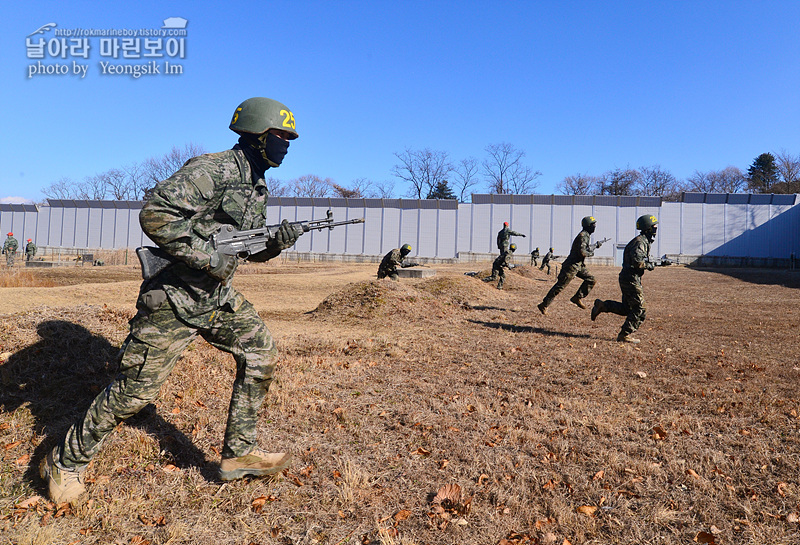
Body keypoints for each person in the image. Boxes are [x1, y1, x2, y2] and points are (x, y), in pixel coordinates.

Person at [40, 97, 302, 504]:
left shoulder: (257, 184)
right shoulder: (212, 170)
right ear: (255, 135)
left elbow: (243, 248)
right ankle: (65, 462)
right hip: (173, 300)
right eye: (280, 137)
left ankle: (237, 454)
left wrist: (275, 245)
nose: (285, 145)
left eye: (289, 139)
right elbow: (156, 214)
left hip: (215, 298)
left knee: (260, 355)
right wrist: (207, 257)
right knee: (134, 392)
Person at [591, 215, 658, 344]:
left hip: (629, 278)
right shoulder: (640, 242)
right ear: (647, 228)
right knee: (640, 308)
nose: (655, 229)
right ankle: (624, 334)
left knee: (628, 309)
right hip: (630, 279)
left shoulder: (643, 241)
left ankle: (603, 306)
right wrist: (650, 265)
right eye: (654, 227)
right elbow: (637, 262)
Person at [537, 216, 605, 315]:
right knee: (559, 287)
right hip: (571, 266)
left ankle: (577, 297)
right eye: (593, 225)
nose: (595, 226)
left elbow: (585, 248)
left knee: (591, 279)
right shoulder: (582, 236)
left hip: (579, 265)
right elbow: (582, 252)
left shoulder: (586, 235)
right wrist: (592, 253)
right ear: (588, 226)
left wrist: (595, 246)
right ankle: (544, 304)